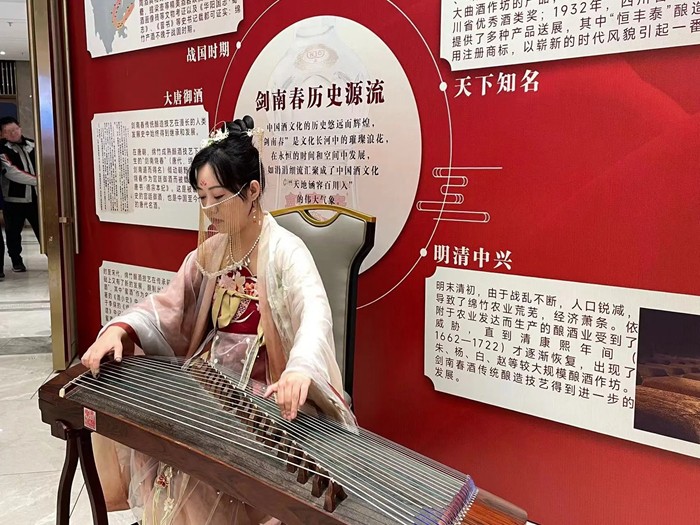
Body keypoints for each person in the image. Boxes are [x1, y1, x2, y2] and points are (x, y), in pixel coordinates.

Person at [81, 116, 354, 525]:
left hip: (266, 388)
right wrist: (121, 329)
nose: (208, 209)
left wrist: (299, 369)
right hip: (210, 379)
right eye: (201, 196)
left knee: (205, 470)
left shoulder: (285, 251)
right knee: (162, 434)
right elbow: (169, 305)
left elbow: (314, 314)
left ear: (252, 191)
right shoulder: (210, 252)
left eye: (219, 196)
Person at [0, 116, 40, 273]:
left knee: (43, 229)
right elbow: (11, 172)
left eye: (15, 129)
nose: (13, 133)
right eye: (8, 131)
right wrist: (39, 181)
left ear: (20, 127)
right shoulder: (2, 149)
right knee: (13, 233)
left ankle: (54, 259)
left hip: (36, 198)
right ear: (2, 134)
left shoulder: (33, 144)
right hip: (13, 200)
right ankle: (16, 260)